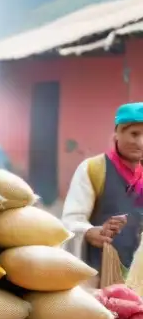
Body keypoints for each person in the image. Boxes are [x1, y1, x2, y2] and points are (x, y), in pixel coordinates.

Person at [61, 103, 143, 274]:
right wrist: (90, 232)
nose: (140, 142)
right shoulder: (93, 169)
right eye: (134, 134)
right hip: (98, 273)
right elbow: (71, 220)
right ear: (118, 133)